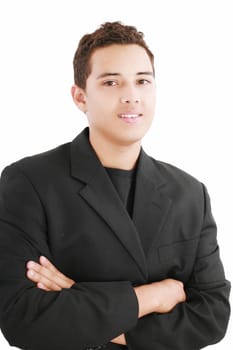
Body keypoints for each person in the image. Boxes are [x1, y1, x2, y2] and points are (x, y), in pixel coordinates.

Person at [0, 21, 230, 350]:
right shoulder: (29, 182)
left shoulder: (190, 194)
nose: (131, 96)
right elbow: (21, 318)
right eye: (111, 82)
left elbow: (213, 315)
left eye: (142, 81)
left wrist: (82, 304)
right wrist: (154, 296)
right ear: (80, 96)